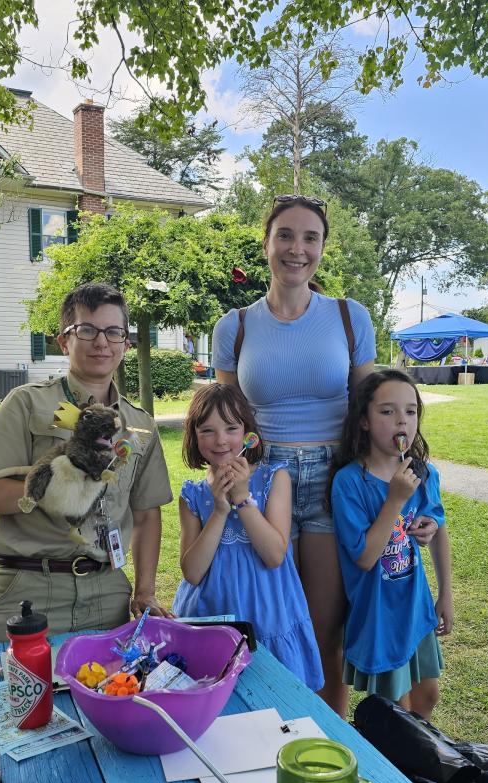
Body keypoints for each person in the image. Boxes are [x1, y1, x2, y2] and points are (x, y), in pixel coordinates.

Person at [212, 194, 379, 716]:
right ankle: (269, 733)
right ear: (266, 243)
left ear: (324, 247)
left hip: (334, 482)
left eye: (310, 237)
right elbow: (225, 425)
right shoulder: (233, 327)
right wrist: (229, 490)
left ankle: (328, 745)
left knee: (325, 629)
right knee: (268, 623)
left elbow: (373, 414)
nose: (297, 248)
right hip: (264, 483)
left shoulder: (351, 318)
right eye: (285, 234)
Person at [0, 282, 173, 643]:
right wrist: (57, 485)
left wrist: (145, 591)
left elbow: (147, 514)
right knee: (18, 698)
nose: (101, 342)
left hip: (108, 591)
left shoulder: (139, 425)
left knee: (107, 693)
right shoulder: (27, 404)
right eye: (87, 330)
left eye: (114, 332)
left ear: (127, 343)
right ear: (64, 341)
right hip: (28, 588)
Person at [173, 384, 324, 690]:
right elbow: (192, 571)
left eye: (231, 428)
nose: (221, 440)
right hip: (211, 616)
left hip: (268, 612)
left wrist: (242, 498)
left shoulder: (274, 478)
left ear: (248, 433)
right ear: (194, 436)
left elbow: (274, 555)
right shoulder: (192, 495)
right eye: (207, 431)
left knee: (275, 693)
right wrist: (218, 511)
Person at [329, 370, 453, 718]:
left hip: (415, 609)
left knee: (427, 696)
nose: (402, 420)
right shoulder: (350, 482)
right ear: (364, 421)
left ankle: (416, 764)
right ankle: (397, 770)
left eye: (411, 411)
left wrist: (446, 594)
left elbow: (438, 529)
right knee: (397, 712)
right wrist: (395, 500)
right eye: (387, 411)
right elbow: (366, 557)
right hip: (379, 617)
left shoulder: (422, 473)